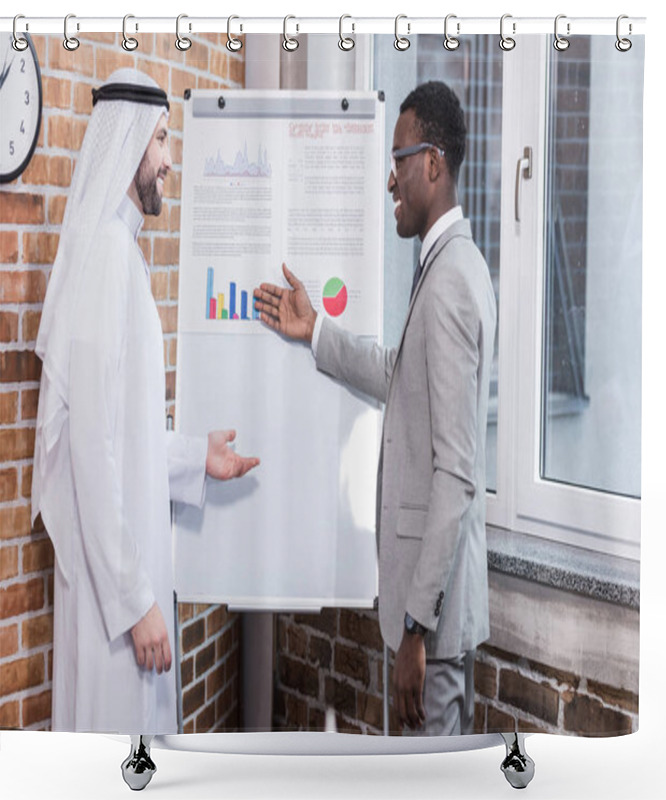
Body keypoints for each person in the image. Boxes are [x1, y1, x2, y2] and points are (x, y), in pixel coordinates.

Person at [255, 81, 497, 735]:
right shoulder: (449, 266)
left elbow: (455, 473)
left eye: (398, 161)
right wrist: (317, 333)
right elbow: (400, 375)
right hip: (431, 624)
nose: (390, 181)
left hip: (433, 630)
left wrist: (416, 628)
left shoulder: (449, 282)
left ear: (432, 164)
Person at [30, 69, 259, 734]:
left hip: (120, 591)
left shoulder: (119, 255)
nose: (169, 160)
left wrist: (195, 459)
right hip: (114, 611)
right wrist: (136, 604)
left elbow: (118, 434)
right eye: (161, 140)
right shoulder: (105, 257)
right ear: (128, 145)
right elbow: (91, 454)